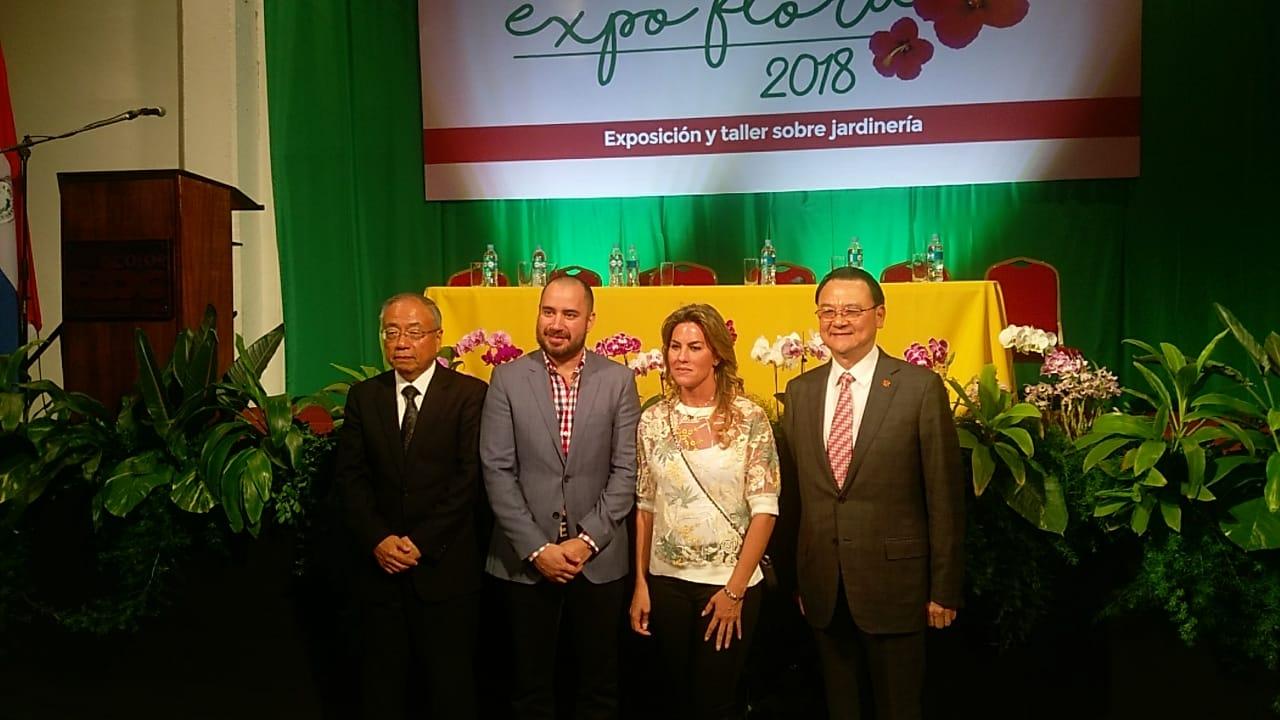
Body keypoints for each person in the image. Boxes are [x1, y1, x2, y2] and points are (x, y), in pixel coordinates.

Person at [779, 267, 964, 720]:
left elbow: (944, 496)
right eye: (828, 311)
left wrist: (945, 588)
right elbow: (795, 498)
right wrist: (799, 579)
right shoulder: (800, 392)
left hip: (896, 588)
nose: (838, 320)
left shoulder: (919, 388)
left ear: (879, 315)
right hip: (824, 588)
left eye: (851, 310)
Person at [480, 275, 641, 719]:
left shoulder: (619, 380)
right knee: (528, 690)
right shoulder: (507, 378)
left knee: (598, 689)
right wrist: (538, 548)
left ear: (590, 320)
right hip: (524, 562)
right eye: (548, 311)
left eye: (569, 314)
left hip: (598, 560)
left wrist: (585, 541)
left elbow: (626, 471)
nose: (556, 323)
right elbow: (497, 470)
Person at [335, 292, 488, 719]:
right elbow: (350, 478)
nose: (401, 342)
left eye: (414, 332)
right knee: (381, 691)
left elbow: (469, 479)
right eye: (392, 332)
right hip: (380, 573)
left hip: (445, 570)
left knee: (450, 691)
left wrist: (421, 542)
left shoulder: (470, 394)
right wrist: (379, 539)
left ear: (438, 337)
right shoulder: (365, 396)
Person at [629, 303, 780, 719]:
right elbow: (645, 506)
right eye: (674, 346)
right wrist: (641, 583)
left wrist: (734, 592)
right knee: (674, 701)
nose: (681, 356)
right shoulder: (653, 419)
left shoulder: (749, 418)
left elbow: (765, 510)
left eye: (694, 347)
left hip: (728, 584)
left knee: (715, 703)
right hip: (666, 584)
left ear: (716, 355)